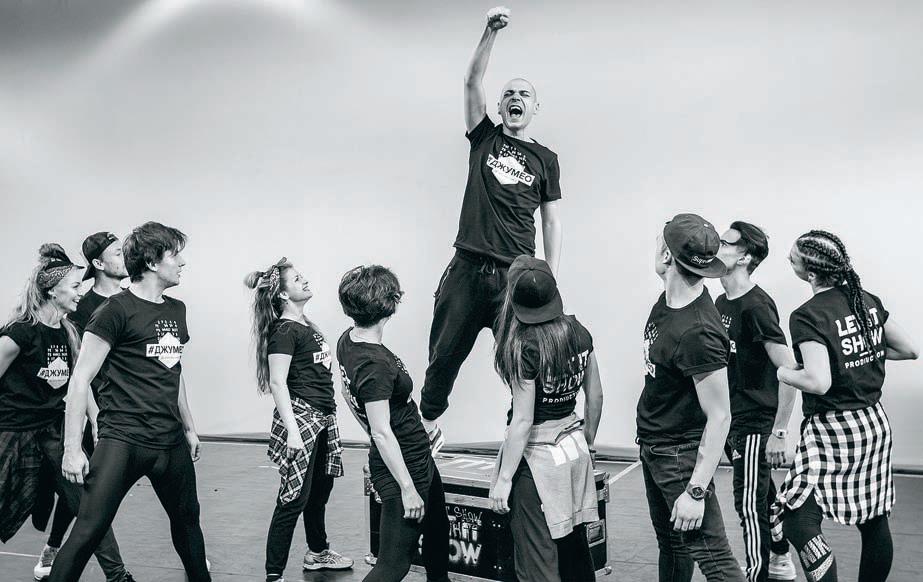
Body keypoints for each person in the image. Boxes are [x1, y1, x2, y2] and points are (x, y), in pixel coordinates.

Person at [420, 6, 564, 452]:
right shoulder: (485, 137)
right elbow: (471, 81)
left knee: (524, 363)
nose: (515, 98)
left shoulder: (546, 159)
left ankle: (525, 438)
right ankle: (426, 426)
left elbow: (551, 219)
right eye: (508, 94)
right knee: (443, 357)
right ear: (500, 107)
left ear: (535, 107)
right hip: (467, 268)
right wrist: (489, 32)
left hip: (515, 276)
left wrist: (549, 273)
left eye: (524, 94)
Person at [49, 222, 211, 582]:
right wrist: (72, 449)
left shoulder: (177, 309)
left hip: (170, 442)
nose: (182, 262)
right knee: (88, 530)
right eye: (175, 255)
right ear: (152, 262)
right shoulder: (114, 311)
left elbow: (173, 369)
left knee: (188, 525)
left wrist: (189, 427)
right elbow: (80, 379)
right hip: (123, 440)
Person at [771, 230, 918, 582]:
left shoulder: (808, 315)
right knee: (874, 518)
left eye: (792, 258)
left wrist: (783, 372)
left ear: (810, 274)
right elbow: (909, 349)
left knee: (797, 520)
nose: (788, 260)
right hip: (873, 424)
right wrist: (860, 357)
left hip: (832, 429)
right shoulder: (865, 300)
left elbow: (818, 382)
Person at [0, 244, 132, 582]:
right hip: (13, 435)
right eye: (74, 286)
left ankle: (118, 576)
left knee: (90, 506)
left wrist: (98, 419)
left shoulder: (69, 332)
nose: (80, 292)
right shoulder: (19, 332)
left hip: (53, 435)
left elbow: (78, 383)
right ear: (51, 291)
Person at [637, 214, 744, 582]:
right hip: (655, 447)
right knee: (673, 545)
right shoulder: (667, 303)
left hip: (679, 458)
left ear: (667, 256)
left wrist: (695, 490)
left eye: (658, 243)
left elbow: (720, 416)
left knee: (717, 562)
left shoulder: (698, 331)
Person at [489, 255, 603, 581]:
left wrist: (505, 479)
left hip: (538, 460)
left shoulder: (524, 346)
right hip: (573, 450)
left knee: (537, 560)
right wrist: (586, 441)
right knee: (574, 547)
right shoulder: (579, 332)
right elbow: (595, 395)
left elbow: (523, 421)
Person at [336, 266, 449, 582]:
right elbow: (382, 432)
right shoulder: (375, 364)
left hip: (417, 454)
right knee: (393, 565)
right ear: (390, 305)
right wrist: (407, 489)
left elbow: (346, 393)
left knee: (438, 529)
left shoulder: (348, 339)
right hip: (405, 466)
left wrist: (378, 434)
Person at [244, 258, 352, 582]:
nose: (304, 281)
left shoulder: (306, 327)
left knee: (319, 492)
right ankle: (274, 574)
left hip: (323, 420)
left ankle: (318, 553)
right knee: (293, 498)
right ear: (282, 294)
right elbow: (278, 382)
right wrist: (293, 432)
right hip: (302, 421)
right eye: (296, 279)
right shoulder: (284, 331)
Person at [35, 231, 129, 580]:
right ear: (99, 263)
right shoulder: (80, 308)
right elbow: (80, 374)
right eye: (117, 252)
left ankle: (114, 571)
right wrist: (92, 414)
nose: (124, 258)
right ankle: (55, 548)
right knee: (79, 488)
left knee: (83, 491)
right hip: (86, 413)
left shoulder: (132, 301)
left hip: (114, 413)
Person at [715, 222, 797, 581]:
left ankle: (757, 574)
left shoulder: (757, 306)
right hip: (732, 419)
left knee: (748, 503)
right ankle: (780, 553)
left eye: (725, 242)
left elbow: (789, 369)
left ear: (744, 257)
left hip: (754, 422)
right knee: (762, 496)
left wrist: (779, 431)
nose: (716, 246)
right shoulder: (721, 302)